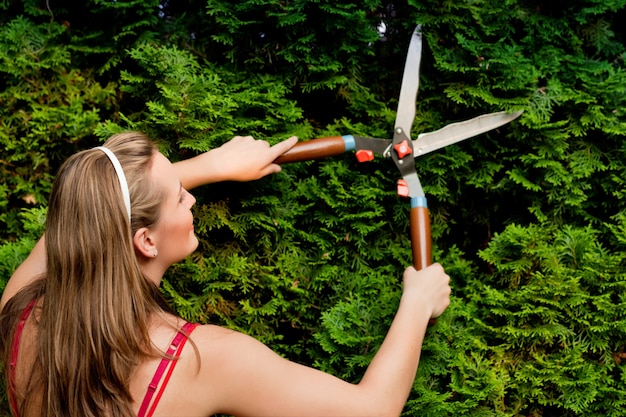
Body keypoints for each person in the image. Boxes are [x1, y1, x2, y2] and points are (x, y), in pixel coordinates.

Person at [0, 131, 451, 417]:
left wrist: (209, 166)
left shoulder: (19, 313)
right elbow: (369, 411)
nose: (191, 199)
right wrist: (416, 304)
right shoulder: (198, 361)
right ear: (146, 242)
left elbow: (90, 214)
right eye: (179, 197)